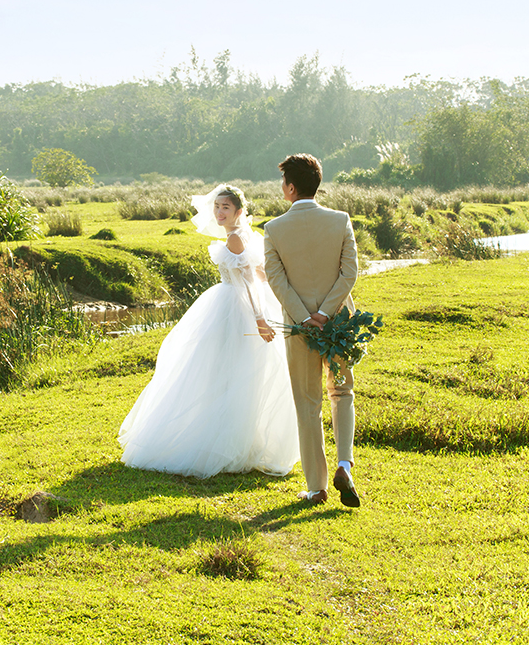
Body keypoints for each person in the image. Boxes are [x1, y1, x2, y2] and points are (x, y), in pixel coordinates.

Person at [118, 184, 300, 479]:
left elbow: (250, 282)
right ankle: (235, 440)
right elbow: (259, 272)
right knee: (229, 372)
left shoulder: (236, 240)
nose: (219, 213)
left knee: (233, 373)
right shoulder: (244, 235)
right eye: (217, 207)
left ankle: (234, 443)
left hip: (238, 308)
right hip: (232, 304)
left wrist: (259, 318)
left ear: (239, 211)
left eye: (225, 208)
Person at [263, 154, 361, 507]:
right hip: (338, 322)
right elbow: (349, 273)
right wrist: (325, 312)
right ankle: (344, 463)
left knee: (308, 405)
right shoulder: (340, 220)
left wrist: (305, 316)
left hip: (298, 326)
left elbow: (277, 281)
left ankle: (317, 488)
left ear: (290, 187)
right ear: (316, 183)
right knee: (343, 392)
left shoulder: (273, 229)